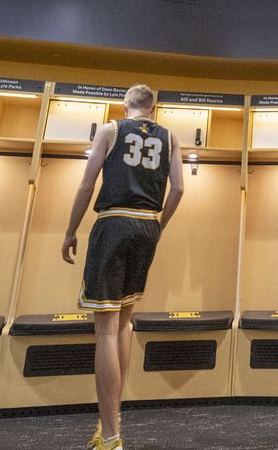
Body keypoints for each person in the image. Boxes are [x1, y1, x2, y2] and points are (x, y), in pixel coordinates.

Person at [62, 84, 184, 450]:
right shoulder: (172, 137)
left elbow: (86, 185)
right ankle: (115, 423)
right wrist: (158, 226)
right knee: (124, 324)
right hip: (147, 225)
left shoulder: (110, 129)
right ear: (154, 107)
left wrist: (70, 230)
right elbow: (177, 190)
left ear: (125, 105)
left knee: (104, 330)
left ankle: (111, 435)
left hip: (114, 222)